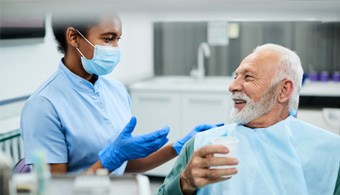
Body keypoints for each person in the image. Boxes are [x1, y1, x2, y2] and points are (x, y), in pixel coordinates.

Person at [19, 12, 221, 175]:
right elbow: (54, 191)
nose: (115, 48)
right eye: (108, 39)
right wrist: (110, 159)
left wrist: (179, 147)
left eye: (118, 39)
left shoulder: (115, 91)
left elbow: (126, 163)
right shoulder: (44, 105)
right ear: (73, 37)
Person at [158, 43, 340, 195]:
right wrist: (184, 183)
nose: (232, 86)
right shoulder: (202, 146)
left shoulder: (331, 153)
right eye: (235, 76)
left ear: (283, 90)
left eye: (248, 77)